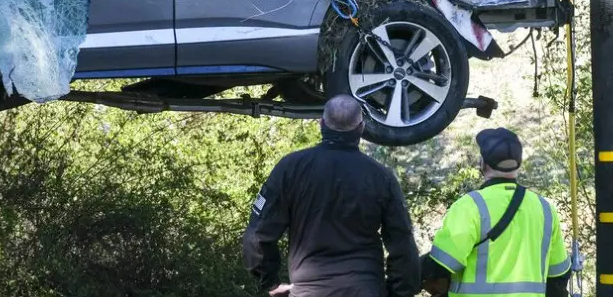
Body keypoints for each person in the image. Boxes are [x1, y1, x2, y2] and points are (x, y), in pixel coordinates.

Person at [242, 94, 420, 297]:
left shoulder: (290, 169)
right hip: (366, 289)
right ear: (360, 128)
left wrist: (270, 282)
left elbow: (257, 235)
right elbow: (403, 243)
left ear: (321, 124)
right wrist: (400, 291)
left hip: (308, 291)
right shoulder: (382, 177)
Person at [421, 127, 572, 297]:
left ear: (482, 164)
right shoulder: (545, 209)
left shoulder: (470, 206)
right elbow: (559, 274)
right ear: (519, 164)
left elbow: (440, 265)